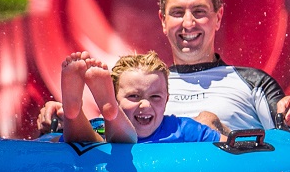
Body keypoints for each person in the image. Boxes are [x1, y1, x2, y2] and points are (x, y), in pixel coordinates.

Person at [40, 0, 290, 136]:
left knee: (208, 122)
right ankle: (72, 118)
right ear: (163, 21)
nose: (188, 23)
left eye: (199, 12)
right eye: (177, 13)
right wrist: (63, 119)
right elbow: (111, 133)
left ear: (218, 17)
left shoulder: (252, 82)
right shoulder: (145, 80)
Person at [58, 50, 223, 145]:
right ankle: (73, 113)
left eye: (155, 97)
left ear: (166, 100)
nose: (145, 104)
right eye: (134, 96)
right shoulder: (180, 131)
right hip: (100, 140)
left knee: (109, 142)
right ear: (115, 98)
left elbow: (229, 146)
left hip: (106, 151)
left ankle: (74, 114)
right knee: (91, 141)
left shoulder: (184, 129)